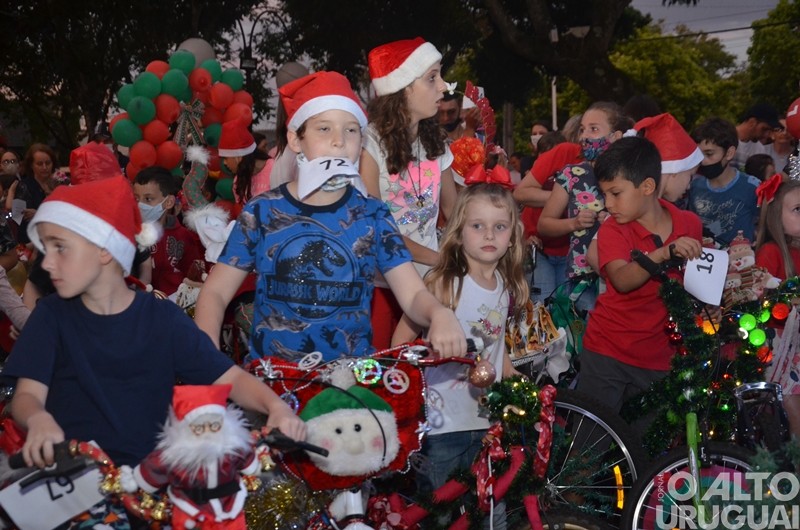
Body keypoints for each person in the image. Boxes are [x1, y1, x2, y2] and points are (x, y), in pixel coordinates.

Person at [3, 175, 305, 526]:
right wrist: (38, 419)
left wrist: (276, 407)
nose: (47, 263)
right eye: (45, 250)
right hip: (75, 489)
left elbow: (229, 376)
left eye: (60, 247)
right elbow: (27, 396)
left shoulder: (162, 317)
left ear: (104, 249)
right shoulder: (50, 317)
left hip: (153, 488)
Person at [194, 71, 466, 364]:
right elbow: (216, 294)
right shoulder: (261, 212)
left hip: (349, 386)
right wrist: (207, 361)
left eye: (351, 130)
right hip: (275, 384)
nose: (339, 141)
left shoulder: (372, 215)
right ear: (295, 139)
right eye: (324, 129)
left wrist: (439, 313)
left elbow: (412, 294)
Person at [403, 183, 528, 530]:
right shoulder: (445, 283)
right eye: (478, 226)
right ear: (458, 233)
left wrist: (514, 379)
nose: (489, 234)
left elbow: (497, 346)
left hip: (487, 422)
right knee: (437, 512)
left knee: (489, 509)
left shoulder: (505, 285)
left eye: (499, 227)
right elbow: (403, 338)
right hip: (443, 425)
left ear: (512, 236)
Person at [578, 136, 703, 414]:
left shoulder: (690, 224)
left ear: (647, 186)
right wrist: (662, 254)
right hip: (607, 352)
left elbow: (695, 285)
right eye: (604, 194)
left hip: (660, 358)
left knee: (646, 449)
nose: (607, 203)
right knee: (590, 446)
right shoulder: (613, 229)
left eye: (615, 193)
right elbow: (621, 280)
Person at [360, 37, 459, 349]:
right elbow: (377, 229)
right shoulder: (368, 144)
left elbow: (456, 210)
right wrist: (440, 258)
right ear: (402, 88)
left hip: (432, 284)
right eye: (432, 77)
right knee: (379, 380)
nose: (444, 87)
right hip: (380, 286)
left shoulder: (436, 142)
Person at [537, 102, 632, 311]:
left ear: (615, 136)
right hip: (582, 282)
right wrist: (574, 223)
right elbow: (544, 224)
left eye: (594, 129)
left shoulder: (631, 174)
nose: (584, 136)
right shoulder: (572, 174)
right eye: (582, 129)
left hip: (622, 280)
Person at [754, 175, 800, 440]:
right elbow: (760, 304)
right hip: (780, 352)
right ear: (775, 217)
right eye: (797, 209)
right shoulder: (771, 253)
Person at [513, 131, 578, 302]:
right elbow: (520, 214)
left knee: (568, 310)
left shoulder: (576, 173)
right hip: (540, 251)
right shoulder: (534, 184)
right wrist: (526, 239)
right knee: (542, 307)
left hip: (569, 252)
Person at [688, 117, 760, 246]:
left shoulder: (752, 187)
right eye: (698, 155)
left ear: (729, 153)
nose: (702, 161)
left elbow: (766, 225)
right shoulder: (694, 186)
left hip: (741, 261)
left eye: (709, 154)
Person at [133, 166, 204, 296]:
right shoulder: (130, 234)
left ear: (169, 202)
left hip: (174, 306)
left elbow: (192, 275)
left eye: (148, 199)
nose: (140, 205)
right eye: (137, 198)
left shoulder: (183, 236)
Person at [218, 119, 273, 204]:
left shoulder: (275, 169)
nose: (225, 163)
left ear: (238, 157)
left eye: (226, 158)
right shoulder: (238, 181)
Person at [17, 143, 58, 244]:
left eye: (48, 163)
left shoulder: (59, 184)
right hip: (31, 242)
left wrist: (38, 214)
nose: (44, 167)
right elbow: (17, 217)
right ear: (31, 165)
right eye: (39, 164)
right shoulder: (22, 186)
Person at [730, 103, 782, 171]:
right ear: (752, 122)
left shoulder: (760, 149)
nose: (766, 135)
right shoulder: (725, 138)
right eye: (764, 129)